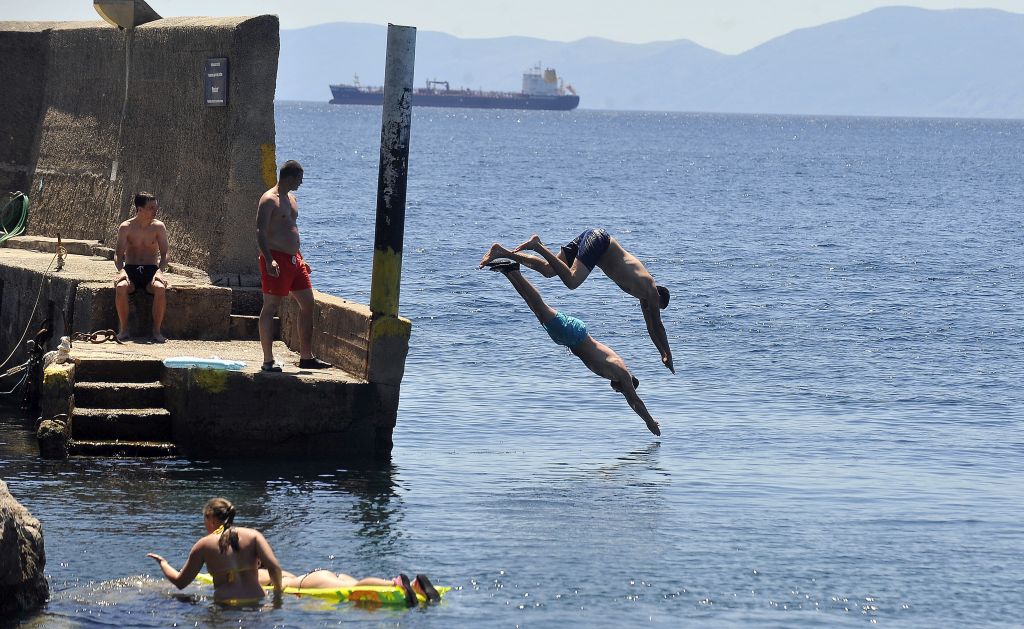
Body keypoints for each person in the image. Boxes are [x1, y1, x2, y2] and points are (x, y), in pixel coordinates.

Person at [483, 259, 661, 436]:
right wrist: (649, 421)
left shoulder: (616, 372)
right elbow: (634, 401)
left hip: (570, 337)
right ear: (625, 384)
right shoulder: (621, 372)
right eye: (621, 390)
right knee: (539, 305)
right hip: (574, 335)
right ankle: (514, 270)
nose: (618, 392)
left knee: (534, 307)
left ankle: (510, 272)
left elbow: (630, 396)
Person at [480, 229, 674, 373]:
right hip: (600, 242)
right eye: (657, 306)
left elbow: (650, 327)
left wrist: (662, 353)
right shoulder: (649, 288)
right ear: (659, 297)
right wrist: (669, 354)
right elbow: (658, 326)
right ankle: (537, 245)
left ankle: (502, 252)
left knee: (549, 270)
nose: (651, 308)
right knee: (572, 281)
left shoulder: (644, 297)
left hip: (594, 240)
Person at [255, 160, 331, 372]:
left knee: (308, 304)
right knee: (270, 306)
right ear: (289, 177)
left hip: (294, 260)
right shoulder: (269, 200)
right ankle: (267, 360)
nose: (301, 182)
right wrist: (268, 259)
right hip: (275, 259)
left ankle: (306, 357)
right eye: (299, 178)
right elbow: (260, 231)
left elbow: (291, 229)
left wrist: (301, 257)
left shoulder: (292, 199)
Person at [146, 497, 283, 605]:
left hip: (225, 604)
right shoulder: (254, 535)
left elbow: (180, 582)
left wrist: (163, 563)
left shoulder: (204, 544)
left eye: (204, 518)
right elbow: (274, 567)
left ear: (210, 517)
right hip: (257, 599)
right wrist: (277, 597)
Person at [114, 192, 169, 342]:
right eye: (151, 208)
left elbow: (165, 255)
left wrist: (160, 272)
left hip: (151, 270)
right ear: (139, 209)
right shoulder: (126, 227)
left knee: (160, 288)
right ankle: (124, 330)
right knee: (121, 287)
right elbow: (118, 255)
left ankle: (156, 331)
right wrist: (121, 272)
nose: (155, 211)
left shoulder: (158, 227)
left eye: (155, 207)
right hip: (131, 269)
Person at [257, 566, 440, 607]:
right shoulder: (272, 570)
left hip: (309, 581)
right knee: (353, 584)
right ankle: (416, 586)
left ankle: (395, 583)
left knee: (356, 587)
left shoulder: (256, 574)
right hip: (316, 575)